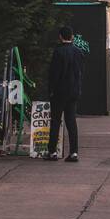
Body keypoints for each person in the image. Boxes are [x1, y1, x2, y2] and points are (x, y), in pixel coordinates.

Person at [46, 25, 83, 163]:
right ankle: (73, 152)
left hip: (59, 92)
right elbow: (79, 73)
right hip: (73, 91)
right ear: (72, 37)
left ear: (60, 36)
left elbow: (54, 74)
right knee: (71, 121)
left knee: (56, 121)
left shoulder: (58, 52)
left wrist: (51, 90)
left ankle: (52, 151)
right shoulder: (78, 52)